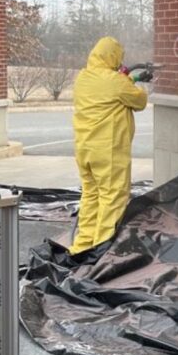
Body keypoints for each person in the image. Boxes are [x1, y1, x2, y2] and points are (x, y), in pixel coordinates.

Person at [69, 36, 149, 254]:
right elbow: (139, 101)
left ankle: (82, 246)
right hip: (108, 151)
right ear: (113, 57)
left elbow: (109, 92)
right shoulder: (116, 82)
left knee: (90, 196)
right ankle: (102, 250)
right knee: (112, 197)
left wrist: (126, 79)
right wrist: (133, 80)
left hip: (85, 150)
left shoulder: (83, 78)